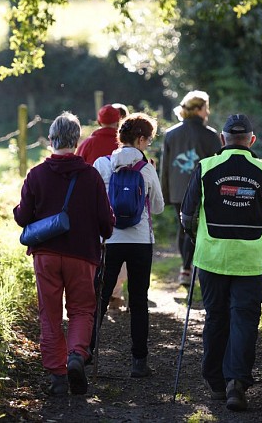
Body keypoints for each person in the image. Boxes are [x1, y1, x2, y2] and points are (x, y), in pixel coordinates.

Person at [179, 114, 262, 411]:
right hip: (252, 260)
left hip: (212, 257)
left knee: (216, 316)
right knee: (244, 319)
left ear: (222, 138)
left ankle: (215, 381)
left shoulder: (205, 168)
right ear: (252, 141)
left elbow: (187, 216)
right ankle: (236, 383)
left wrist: (196, 237)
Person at [13, 112, 115, 396]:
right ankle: (76, 356)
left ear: (50, 139)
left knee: (50, 314)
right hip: (82, 254)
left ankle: (57, 376)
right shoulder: (91, 176)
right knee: (82, 309)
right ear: (77, 139)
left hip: (46, 253)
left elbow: (23, 218)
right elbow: (106, 223)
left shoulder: (36, 175)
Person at [90, 112, 165, 377]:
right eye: (149, 139)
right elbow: (157, 207)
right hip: (140, 241)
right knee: (139, 300)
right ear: (141, 139)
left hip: (109, 240)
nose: (149, 144)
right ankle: (139, 362)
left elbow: (93, 203)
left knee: (99, 296)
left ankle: (86, 352)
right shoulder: (146, 168)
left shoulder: (102, 164)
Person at [159, 90, 221, 286]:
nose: (208, 112)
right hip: (204, 189)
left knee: (183, 229)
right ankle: (193, 268)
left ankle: (186, 269)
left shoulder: (171, 134)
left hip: (178, 191)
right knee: (200, 229)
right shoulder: (210, 136)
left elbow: (165, 167)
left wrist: (165, 193)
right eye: (206, 107)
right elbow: (218, 167)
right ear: (199, 110)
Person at [78, 103, 130, 310]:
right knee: (122, 249)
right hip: (123, 204)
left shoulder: (88, 143)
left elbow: (78, 171)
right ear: (119, 120)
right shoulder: (125, 144)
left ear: (99, 121)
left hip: (94, 204)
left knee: (96, 248)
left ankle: (95, 291)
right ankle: (116, 294)